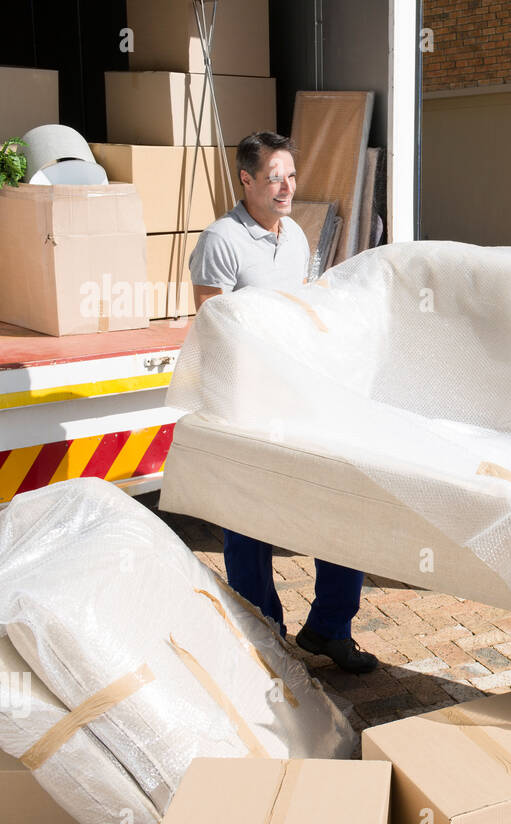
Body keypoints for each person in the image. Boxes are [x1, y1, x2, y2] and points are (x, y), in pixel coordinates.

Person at [188, 130, 377, 675]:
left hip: (297, 399)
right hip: (245, 405)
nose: (286, 186)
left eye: (290, 175)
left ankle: (329, 628)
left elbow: (298, 312)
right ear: (246, 179)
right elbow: (213, 329)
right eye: (273, 176)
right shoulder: (221, 240)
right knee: (248, 526)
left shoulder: (294, 235)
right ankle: (264, 638)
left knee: (335, 505)